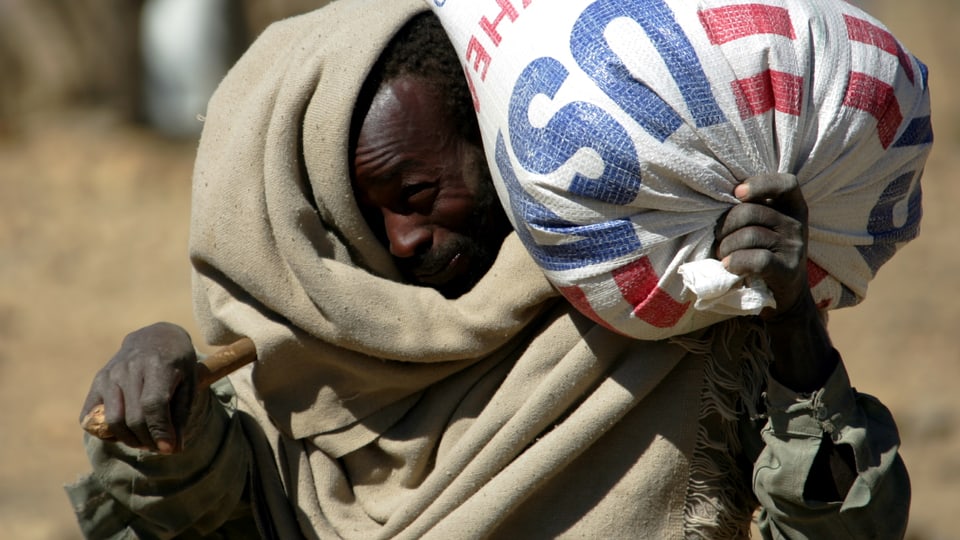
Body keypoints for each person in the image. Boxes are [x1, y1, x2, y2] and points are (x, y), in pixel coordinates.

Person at [67, 2, 912, 539]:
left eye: (419, 189)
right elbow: (206, 524)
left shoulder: (661, 318)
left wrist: (794, 326)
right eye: (364, 211)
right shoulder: (306, 381)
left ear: (498, 142)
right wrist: (164, 423)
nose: (402, 239)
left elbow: (846, 529)